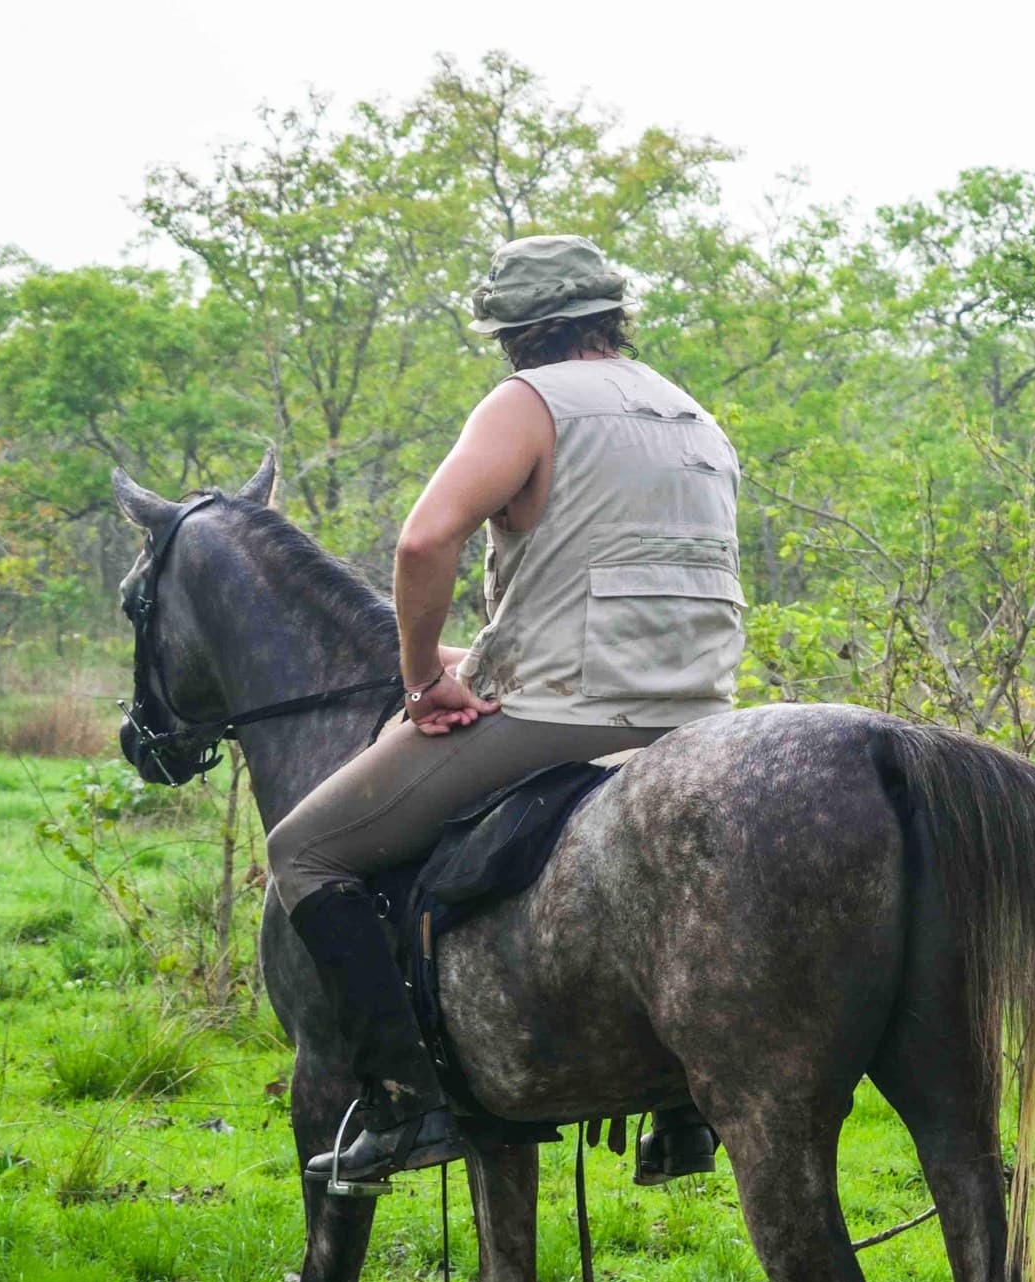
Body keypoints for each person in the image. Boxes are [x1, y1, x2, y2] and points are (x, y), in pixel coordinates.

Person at [268, 234, 744, 1192]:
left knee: (303, 852)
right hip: (697, 714)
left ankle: (407, 1103)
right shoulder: (693, 415)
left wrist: (418, 679)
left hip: (569, 712)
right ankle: (686, 1104)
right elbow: (600, 593)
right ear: (614, 316)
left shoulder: (530, 403)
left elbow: (422, 542)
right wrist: (462, 657)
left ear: (515, 335)